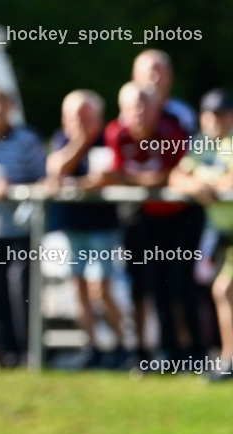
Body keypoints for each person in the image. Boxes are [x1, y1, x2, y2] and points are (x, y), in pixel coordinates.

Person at [107, 81, 197, 363]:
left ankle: (189, 351)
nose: (139, 112)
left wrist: (136, 180)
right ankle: (149, 351)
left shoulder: (171, 131)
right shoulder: (117, 133)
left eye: (145, 105)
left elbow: (173, 173)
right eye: (133, 106)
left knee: (179, 286)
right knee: (145, 285)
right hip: (142, 218)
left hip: (179, 219)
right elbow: (118, 172)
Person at [45, 90, 126, 369]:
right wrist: (80, 140)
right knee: (77, 287)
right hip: (72, 225)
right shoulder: (63, 139)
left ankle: (123, 345)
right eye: (73, 116)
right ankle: (91, 347)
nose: (78, 121)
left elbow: (109, 177)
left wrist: (81, 185)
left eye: (84, 116)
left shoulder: (109, 138)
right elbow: (56, 169)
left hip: (102, 226)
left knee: (99, 289)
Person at [0, 85, 45, 366]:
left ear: (10, 107)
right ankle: (7, 352)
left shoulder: (27, 140)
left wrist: (13, 188)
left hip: (21, 232)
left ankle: (29, 351)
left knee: (20, 292)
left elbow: (42, 180)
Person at [169, 89, 233, 380]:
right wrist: (196, 186)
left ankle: (228, 359)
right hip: (221, 233)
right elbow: (177, 176)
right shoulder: (202, 144)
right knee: (220, 292)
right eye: (210, 115)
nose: (215, 121)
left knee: (224, 291)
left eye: (221, 115)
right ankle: (227, 358)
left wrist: (205, 183)